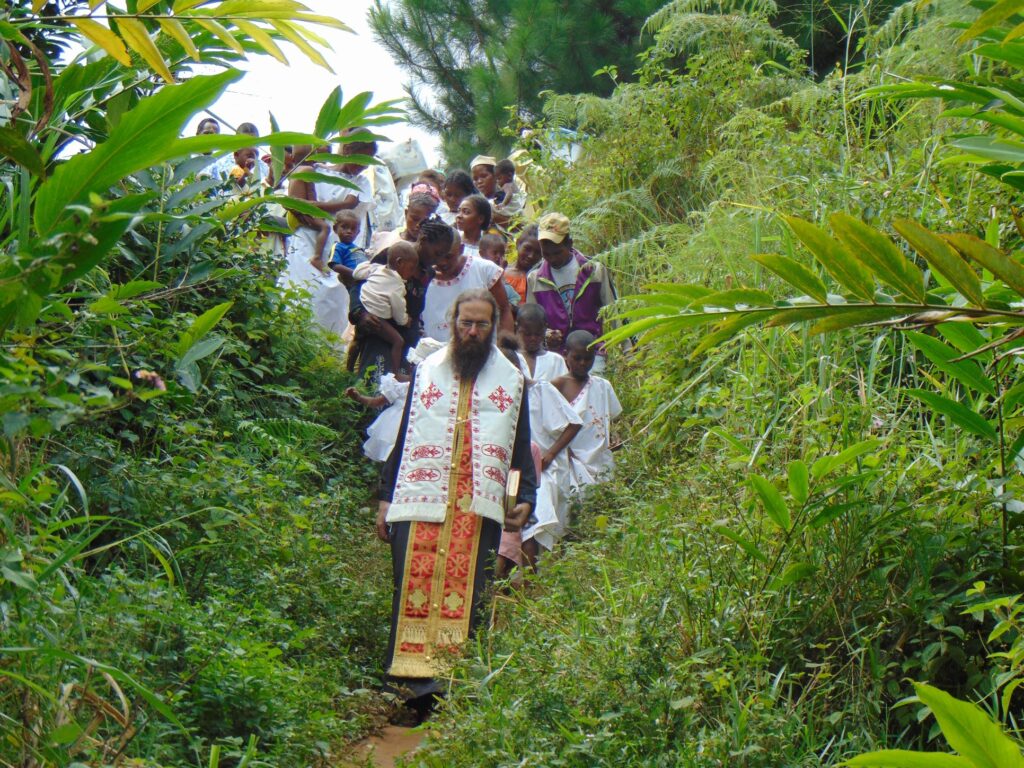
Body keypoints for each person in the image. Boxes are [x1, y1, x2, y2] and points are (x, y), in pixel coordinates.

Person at [378, 289, 537, 700]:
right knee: (412, 583)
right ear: (453, 322)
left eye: (482, 324)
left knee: (473, 591)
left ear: (494, 326)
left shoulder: (512, 380)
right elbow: (406, 435)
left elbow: (519, 448)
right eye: (465, 322)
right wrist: (385, 496)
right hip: (421, 496)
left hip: (477, 505)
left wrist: (522, 497)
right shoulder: (428, 370)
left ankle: (456, 682)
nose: (472, 331)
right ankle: (408, 683)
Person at [349, 217, 456, 379]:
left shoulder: (428, 272)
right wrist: (360, 313)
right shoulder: (395, 254)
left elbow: (415, 305)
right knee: (375, 381)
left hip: (406, 335)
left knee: (401, 388)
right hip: (379, 327)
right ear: (423, 240)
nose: (439, 260)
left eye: (444, 255)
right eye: (437, 253)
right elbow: (361, 283)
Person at [526, 213, 618, 373]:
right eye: (546, 254)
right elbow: (531, 321)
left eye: (557, 253)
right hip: (556, 355)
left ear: (569, 244)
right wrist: (546, 335)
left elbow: (615, 310)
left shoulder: (593, 270)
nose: (552, 259)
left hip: (591, 352)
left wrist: (629, 352)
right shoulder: (535, 278)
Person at [551, 330, 622, 489]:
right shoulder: (557, 385)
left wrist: (615, 435)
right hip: (569, 459)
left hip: (600, 459)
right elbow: (549, 425)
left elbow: (611, 420)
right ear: (566, 354)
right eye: (577, 358)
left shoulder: (603, 386)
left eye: (588, 358)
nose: (583, 363)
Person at [423, 228, 513, 342]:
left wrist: (505, 349)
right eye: (437, 256)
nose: (442, 262)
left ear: (461, 249)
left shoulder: (484, 270)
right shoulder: (421, 274)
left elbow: (504, 310)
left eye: (448, 256)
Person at [350, 242, 420, 378]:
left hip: (365, 309)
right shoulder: (397, 285)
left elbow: (356, 274)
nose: (412, 273)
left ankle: (348, 370)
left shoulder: (377, 269)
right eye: (411, 269)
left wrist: (368, 264)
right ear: (399, 263)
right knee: (398, 341)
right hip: (377, 318)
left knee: (357, 340)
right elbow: (398, 312)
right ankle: (395, 374)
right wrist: (406, 321)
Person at [368, 192, 439, 256]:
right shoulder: (384, 237)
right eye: (415, 219)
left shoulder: (426, 251)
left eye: (425, 221)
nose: (418, 225)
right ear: (406, 213)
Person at [516, 303, 568, 381]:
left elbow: (563, 390)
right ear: (518, 329)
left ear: (545, 329)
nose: (533, 338)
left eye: (538, 334)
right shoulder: (512, 358)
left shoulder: (556, 361)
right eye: (527, 334)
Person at [479, 233, 521, 309]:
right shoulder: (479, 271)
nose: (498, 257)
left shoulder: (502, 272)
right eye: (495, 253)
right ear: (482, 254)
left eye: (502, 254)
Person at [503, 224, 541, 305]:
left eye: (537, 252)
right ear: (518, 244)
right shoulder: (502, 273)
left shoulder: (538, 278)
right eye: (527, 249)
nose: (531, 256)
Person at [328, 210, 368, 286]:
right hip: (355, 283)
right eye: (344, 227)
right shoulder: (338, 246)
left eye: (353, 229)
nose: (349, 231)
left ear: (358, 232)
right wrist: (355, 273)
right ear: (335, 229)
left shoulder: (358, 248)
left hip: (367, 282)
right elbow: (335, 265)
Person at [455, 193, 494, 258]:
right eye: (458, 211)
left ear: (480, 219)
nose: (459, 216)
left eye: (466, 212)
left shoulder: (489, 248)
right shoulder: (453, 240)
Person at [493, 158, 526, 222]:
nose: (497, 182)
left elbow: (509, 194)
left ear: (509, 176)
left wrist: (503, 204)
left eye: (499, 178)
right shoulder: (514, 183)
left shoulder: (506, 185)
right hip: (519, 208)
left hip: (513, 208)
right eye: (496, 179)